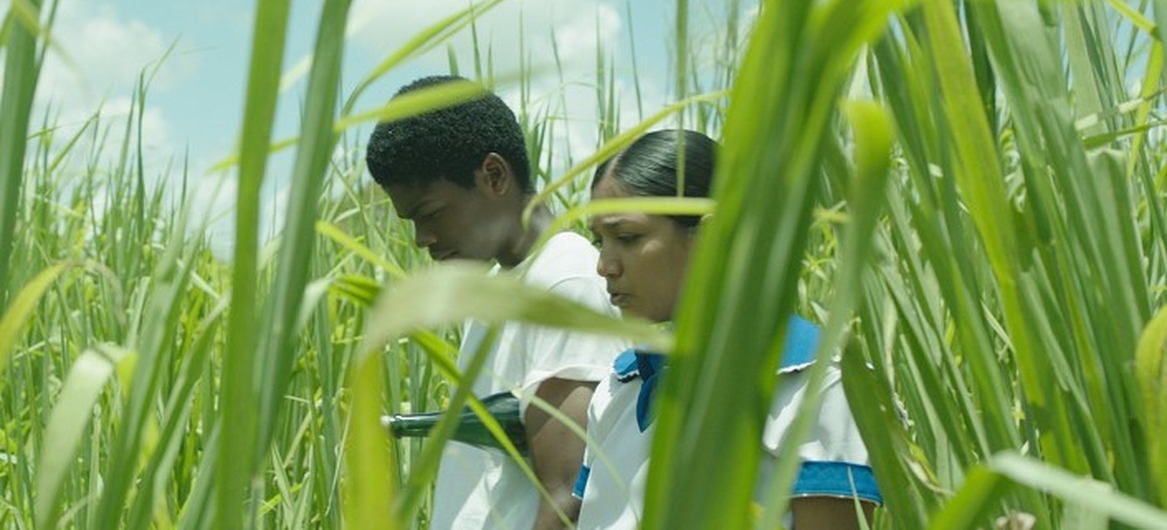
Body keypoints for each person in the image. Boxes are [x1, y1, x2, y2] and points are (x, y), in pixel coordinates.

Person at [575, 129, 882, 529]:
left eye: (627, 238)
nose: (604, 265)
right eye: (599, 240)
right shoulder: (621, 387)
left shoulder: (817, 383)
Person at [365, 75, 625, 530]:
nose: (422, 239)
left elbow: (567, 496)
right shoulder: (502, 290)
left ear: (494, 175)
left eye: (429, 214)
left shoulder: (563, 282)